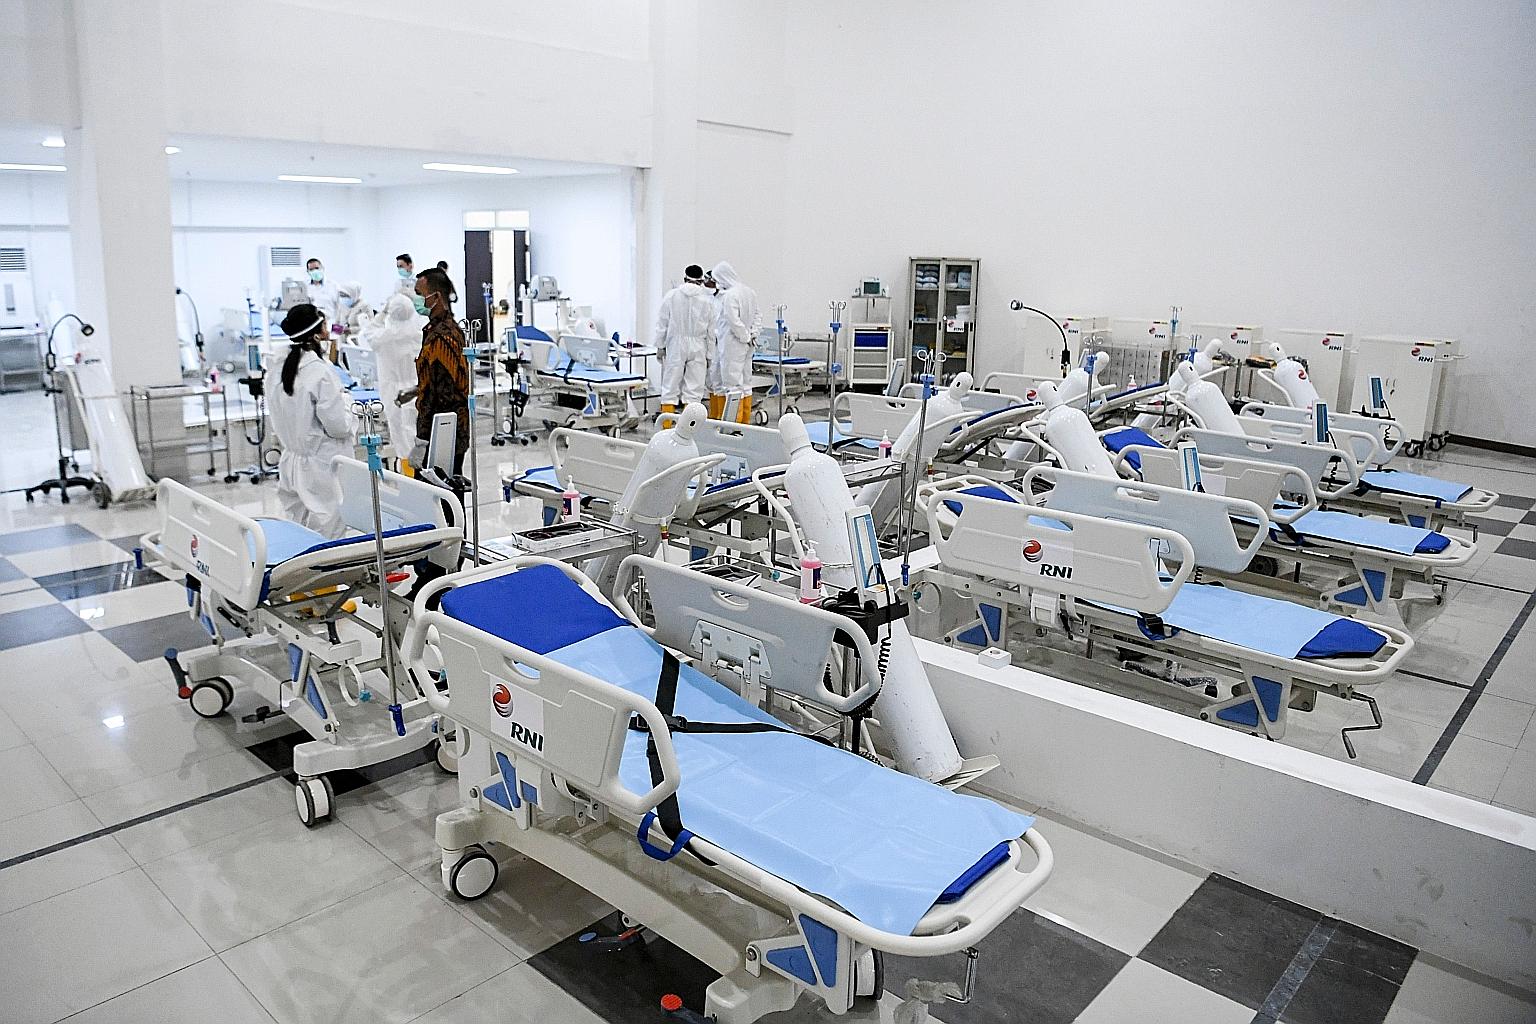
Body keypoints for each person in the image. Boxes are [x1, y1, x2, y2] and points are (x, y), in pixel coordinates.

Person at [269, 303, 354, 538]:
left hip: (291, 462)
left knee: (300, 529)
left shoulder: (277, 367)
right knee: (327, 532)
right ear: (317, 334)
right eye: (325, 325)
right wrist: (347, 403)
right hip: (321, 467)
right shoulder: (319, 372)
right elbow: (339, 427)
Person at [396, 266, 470, 474]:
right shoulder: (437, 330)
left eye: (419, 294)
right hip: (445, 428)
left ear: (436, 297)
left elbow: (443, 396)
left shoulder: (442, 336)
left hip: (444, 432)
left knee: (438, 489)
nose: (416, 300)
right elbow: (439, 379)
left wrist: (423, 441)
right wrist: (416, 390)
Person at [371, 293, 425, 470]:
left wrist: (382, 313)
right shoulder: (419, 334)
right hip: (415, 389)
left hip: (394, 393)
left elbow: (368, 333)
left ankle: (409, 474)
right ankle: (418, 473)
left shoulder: (383, 337)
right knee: (416, 435)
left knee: (401, 438)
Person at [654, 265, 716, 413]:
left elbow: (662, 324)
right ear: (701, 281)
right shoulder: (707, 300)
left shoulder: (671, 296)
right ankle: (690, 424)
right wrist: (710, 354)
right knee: (694, 390)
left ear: (684, 278)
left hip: (675, 344)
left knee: (670, 387)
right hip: (699, 345)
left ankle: (666, 423)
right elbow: (711, 331)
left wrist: (660, 346)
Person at [711, 261, 760, 423]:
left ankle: (733, 425)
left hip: (732, 344)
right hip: (747, 344)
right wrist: (752, 334)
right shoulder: (750, 292)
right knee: (746, 383)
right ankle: (744, 422)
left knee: (732, 385)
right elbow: (758, 315)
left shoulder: (730, 295)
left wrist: (745, 336)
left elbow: (733, 321)